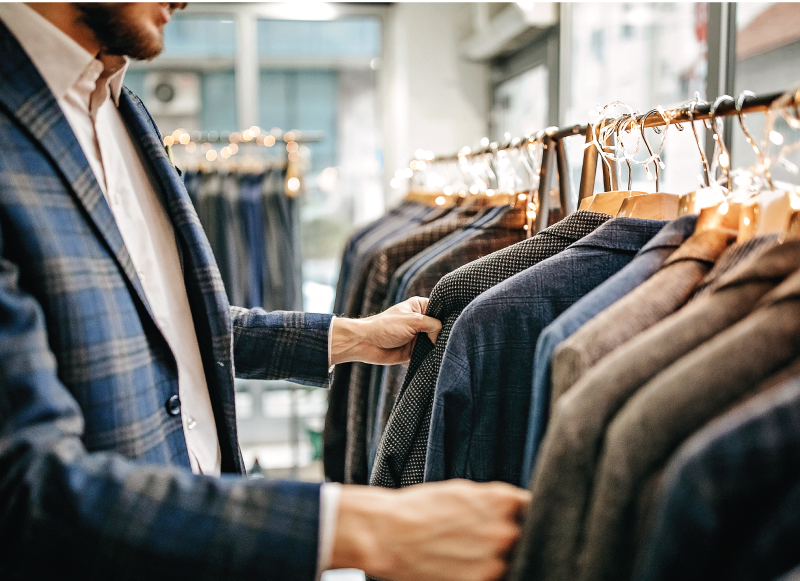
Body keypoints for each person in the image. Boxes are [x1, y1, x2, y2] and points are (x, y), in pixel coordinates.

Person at [0, 3, 530, 580]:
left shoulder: (122, 112)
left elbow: (164, 327)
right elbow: (23, 487)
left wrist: (350, 336)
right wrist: (361, 527)